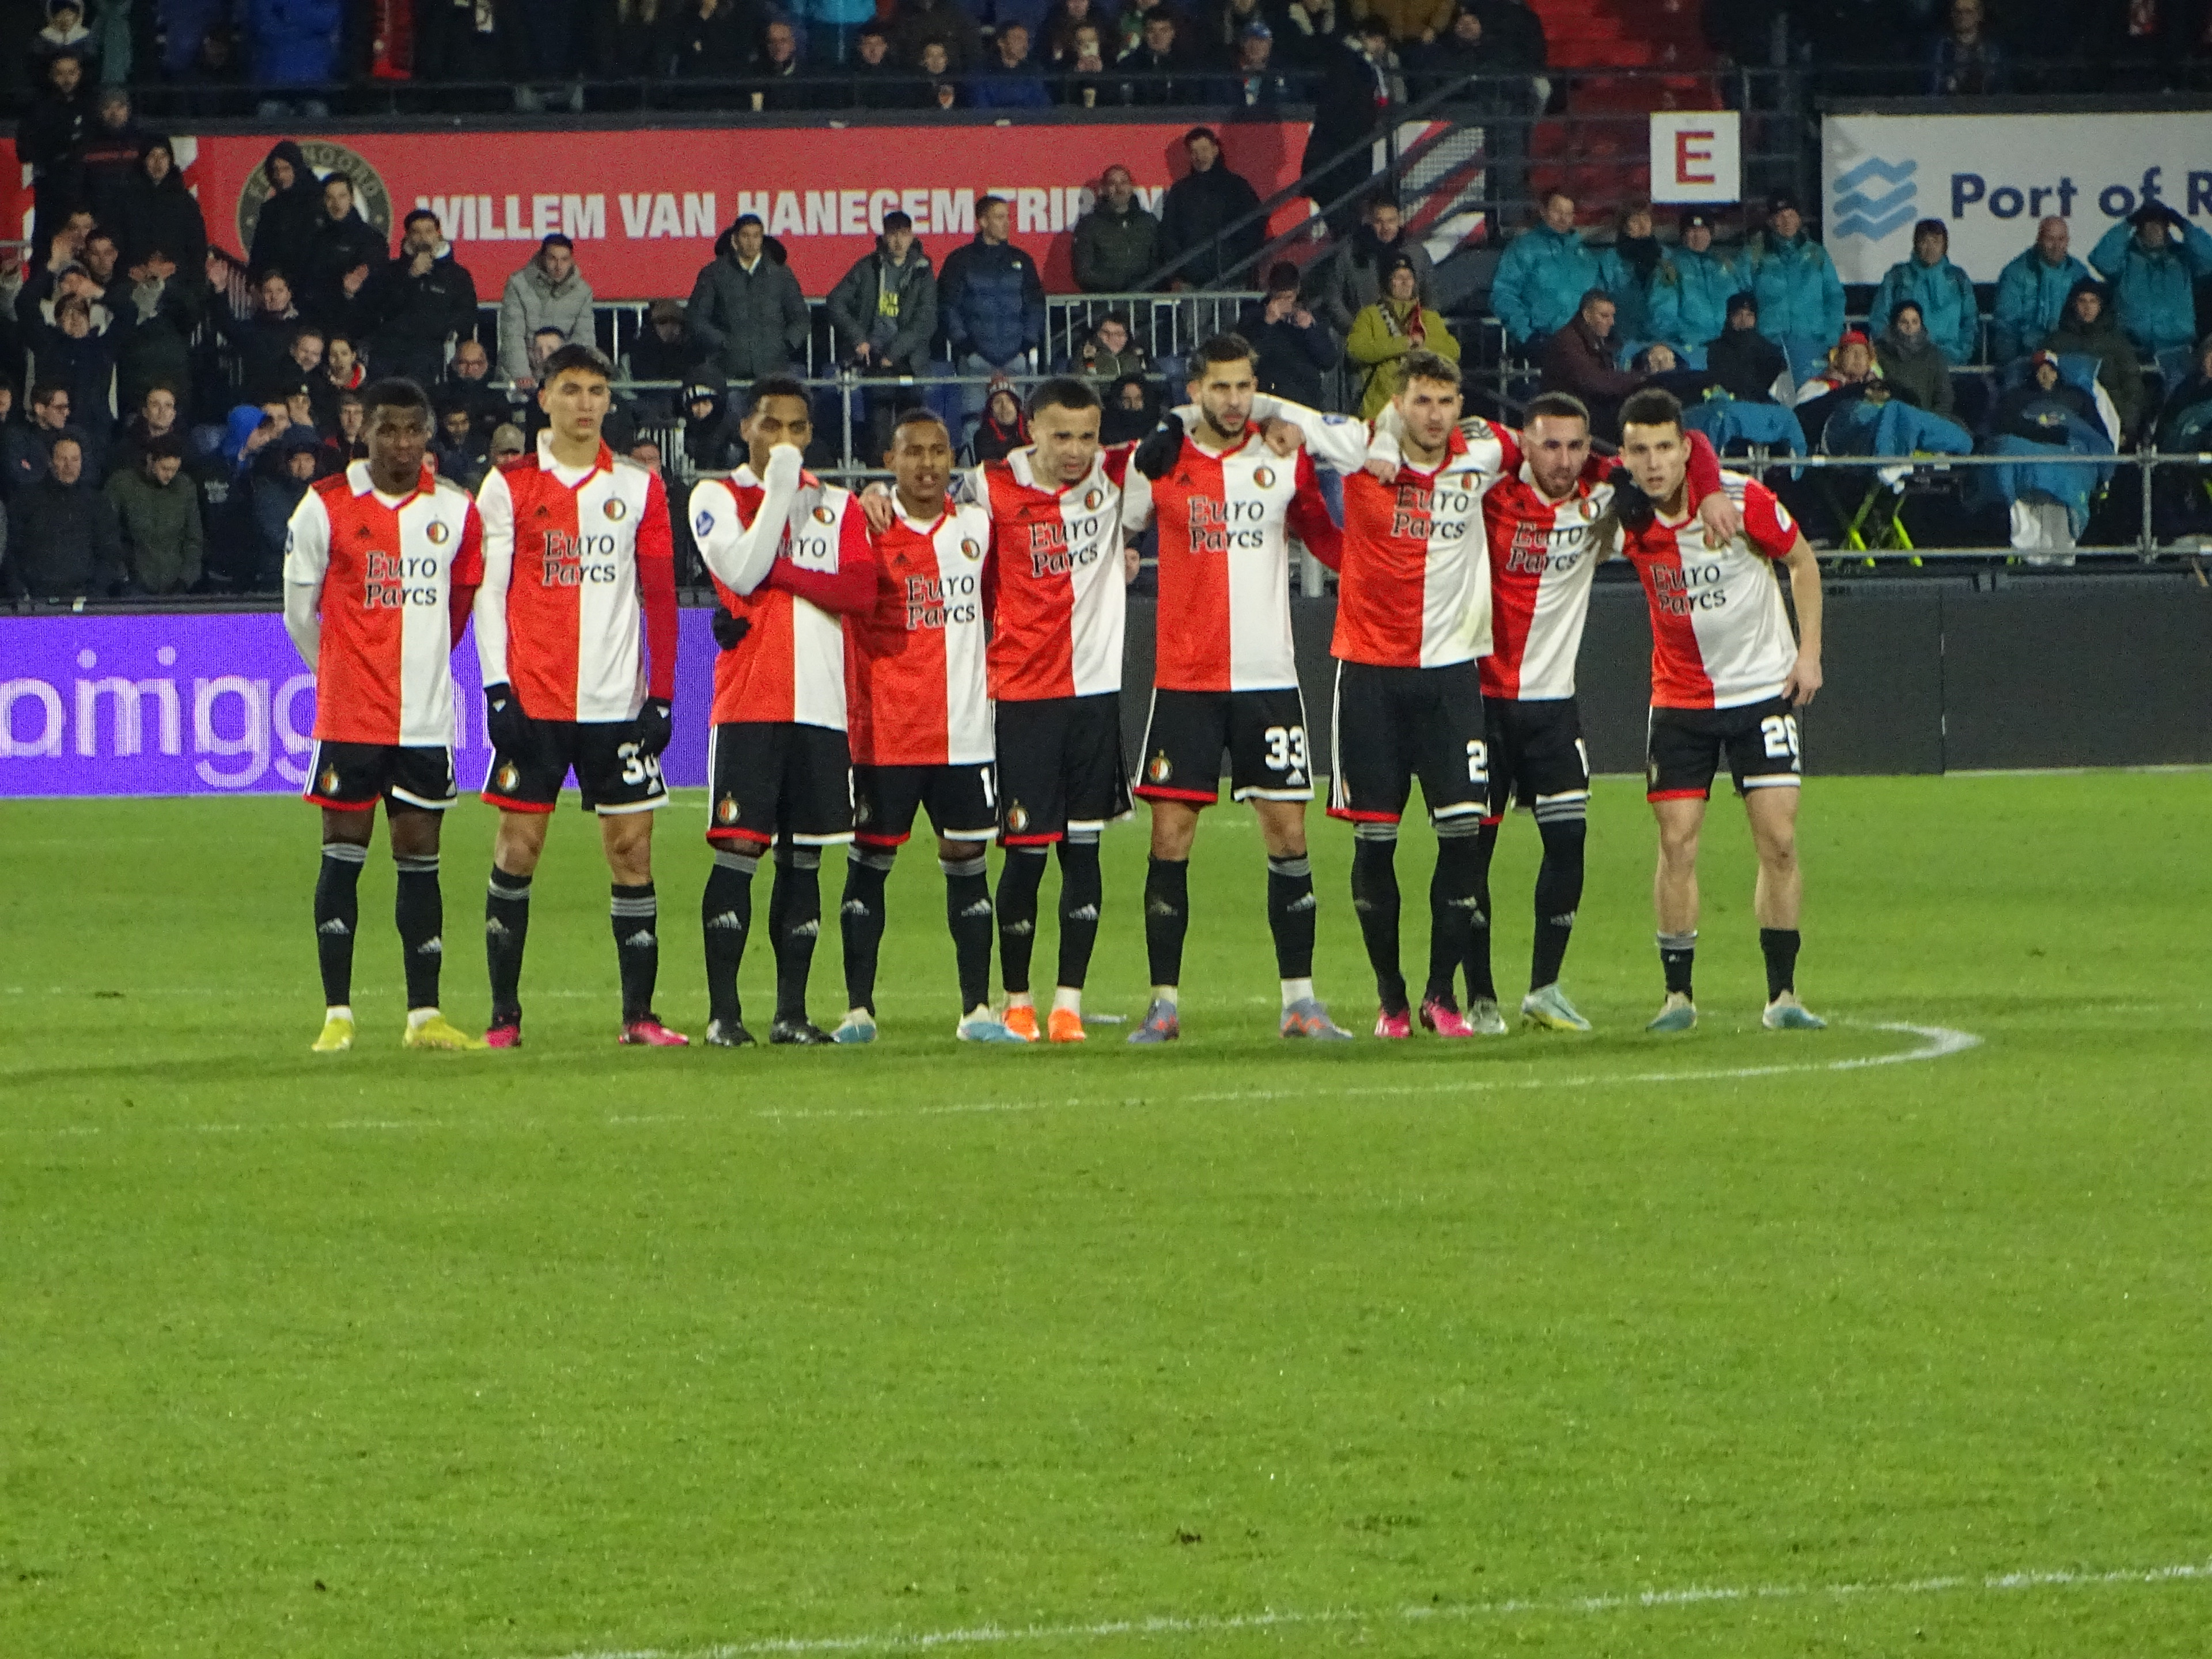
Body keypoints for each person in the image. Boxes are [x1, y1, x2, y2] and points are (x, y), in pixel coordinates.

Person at [1119, 335, 1354, 1043]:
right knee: (1170, 836)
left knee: (1288, 833)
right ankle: (1163, 1004)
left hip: (1269, 680)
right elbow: (1109, 531)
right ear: (1194, 390)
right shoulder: (1157, 464)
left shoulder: (1282, 456)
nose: (1232, 400)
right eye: (1219, 387)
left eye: (1243, 386)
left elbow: (1325, 536)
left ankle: (1301, 1001)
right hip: (1185, 681)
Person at [472, 343, 685, 1048]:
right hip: (535, 701)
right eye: (571, 389)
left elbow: (660, 595)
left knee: (632, 853)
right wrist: (497, 689)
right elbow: (491, 593)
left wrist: (662, 695)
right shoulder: (508, 486)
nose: (586, 403)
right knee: (518, 849)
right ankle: (504, 1018)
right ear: (544, 398)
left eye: (597, 390)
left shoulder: (638, 486)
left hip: (615, 705)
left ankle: (639, 1017)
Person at [1612, 385, 1825, 1033]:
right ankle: (1678, 997)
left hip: (1763, 690)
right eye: (1640, 451)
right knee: (1677, 844)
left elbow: (1803, 561)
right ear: (1624, 457)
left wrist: (1809, 653)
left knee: (1780, 842)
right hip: (1678, 699)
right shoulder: (1622, 515)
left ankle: (1783, 994)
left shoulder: (1738, 499)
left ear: (1687, 450)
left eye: (1666, 449)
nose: (1654, 464)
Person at [279, 379, 484, 1054]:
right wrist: (338, 672)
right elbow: (298, 615)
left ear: (428, 436)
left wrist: (420, 665)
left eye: (413, 431)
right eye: (389, 430)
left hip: (425, 720)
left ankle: (424, 1015)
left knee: (420, 861)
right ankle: (337, 1012)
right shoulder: (324, 507)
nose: (402, 444)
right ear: (362, 432)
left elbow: (458, 608)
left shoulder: (455, 509)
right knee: (343, 859)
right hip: (350, 719)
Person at [687, 376, 878, 1046]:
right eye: (773, 426)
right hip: (749, 704)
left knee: (806, 862)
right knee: (739, 850)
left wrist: (786, 575)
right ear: (746, 429)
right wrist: (780, 490)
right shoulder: (717, 496)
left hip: (823, 706)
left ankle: (791, 1013)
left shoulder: (840, 503)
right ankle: (723, 1015)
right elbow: (740, 571)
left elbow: (861, 590)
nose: (786, 441)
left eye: (799, 429)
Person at [827, 410, 1022, 1044]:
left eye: (939, 452)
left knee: (968, 859)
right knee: (870, 863)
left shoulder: (977, 528)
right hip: (884, 731)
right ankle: (858, 1010)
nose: (928, 464)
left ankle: (976, 1011)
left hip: (965, 731)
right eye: (914, 453)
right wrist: (864, 501)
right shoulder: (863, 528)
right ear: (890, 459)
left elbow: (998, 602)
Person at [961, 377, 1137, 1041]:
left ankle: (1068, 1003)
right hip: (1023, 697)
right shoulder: (986, 487)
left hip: (1093, 697)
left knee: (1083, 852)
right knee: (1027, 855)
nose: (1076, 450)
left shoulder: (1116, 475)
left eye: (1088, 436)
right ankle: (1018, 1000)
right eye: (1061, 435)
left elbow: (1196, 429)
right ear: (1029, 428)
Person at [940, 196, 1047, 422]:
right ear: (983, 222)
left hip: (1016, 357)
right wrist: (966, 347)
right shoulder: (960, 261)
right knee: (974, 422)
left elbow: (1035, 305)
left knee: (1019, 422)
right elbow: (948, 307)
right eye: (999, 217)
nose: (1007, 223)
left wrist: (1026, 344)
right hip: (976, 359)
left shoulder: (1022, 260)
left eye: (1008, 217)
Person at [686, 213, 809, 386]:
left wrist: (784, 345)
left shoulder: (781, 274)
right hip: (729, 372)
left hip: (773, 371)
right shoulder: (714, 274)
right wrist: (723, 344)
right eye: (745, 236)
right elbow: (697, 319)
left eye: (756, 236)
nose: (751, 242)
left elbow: (801, 318)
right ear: (734, 240)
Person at [366, 209, 478, 391]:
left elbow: (466, 318)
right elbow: (380, 310)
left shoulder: (457, 276)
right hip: (389, 358)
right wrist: (411, 277)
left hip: (431, 358)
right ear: (408, 237)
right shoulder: (389, 272)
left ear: (438, 234)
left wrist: (442, 329)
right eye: (416, 232)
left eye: (428, 231)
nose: (423, 238)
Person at [2090, 202, 2212, 367]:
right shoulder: (2126, 260)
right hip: (2132, 352)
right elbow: (2101, 259)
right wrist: (2128, 223)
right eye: (2148, 223)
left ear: (2168, 227)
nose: (2154, 228)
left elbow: (2209, 258)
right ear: (2139, 227)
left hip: (2179, 351)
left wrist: (2184, 225)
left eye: (2160, 223)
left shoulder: (2183, 257)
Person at [5, 429, 120, 599]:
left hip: (84, 599)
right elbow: (11, 549)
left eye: (75, 459)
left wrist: (95, 593)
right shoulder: (25, 500)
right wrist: (20, 590)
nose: (69, 466)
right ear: (50, 461)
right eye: (62, 459)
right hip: (37, 600)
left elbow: (109, 553)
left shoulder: (97, 503)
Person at [1301, 20, 1391, 235]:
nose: (1380, 47)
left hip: (1340, 161)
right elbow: (1340, 111)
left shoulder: (1353, 63)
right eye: (1377, 40)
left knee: (1347, 224)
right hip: (1338, 162)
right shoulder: (1350, 64)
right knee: (1346, 225)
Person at [1347, 254, 1460, 418]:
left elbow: (1453, 351)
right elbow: (1356, 350)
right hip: (1379, 411)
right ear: (1388, 282)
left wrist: (1423, 344)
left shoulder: (1428, 317)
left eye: (1409, 277)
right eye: (1398, 277)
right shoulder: (1369, 315)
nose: (1405, 282)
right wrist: (1403, 344)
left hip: (1420, 413)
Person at [1491, 190, 1602, 352]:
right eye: (1557, 211)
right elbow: (1504, 293)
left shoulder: (1585, 257)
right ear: (1543, 211)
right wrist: (1527, 335)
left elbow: (1598, 299)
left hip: (1584, 344)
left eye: (1568, 213)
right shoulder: (1524, 248)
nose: (1563, 218)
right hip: (1543, 342)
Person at [1157, 128, 1265, 287]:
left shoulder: (1238, 187)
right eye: (1194, 152)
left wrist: (1240, 262)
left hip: (1233, 279)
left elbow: (1254, 226)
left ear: (1216, 150)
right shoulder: (1180, 191)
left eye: (1204, 150)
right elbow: (1169, 234)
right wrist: (1180, 272)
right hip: (1192, 283)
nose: (1200, 157)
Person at [1313, 196, 1435, 336]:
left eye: (1391, 221)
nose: (1386, 228)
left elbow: (1430, 295)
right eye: (1379, 222)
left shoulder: (1417, 254)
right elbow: (1333, 298)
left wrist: (1422, 329)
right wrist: (1355, 330)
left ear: (1399, 220)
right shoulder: (1350, 254)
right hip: (1365, 338)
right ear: (1369, 222)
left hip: (1409, 337)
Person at [2040, 279, 2144, 442]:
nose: (2087, 308)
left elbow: (2132, 387)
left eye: (2093, 301)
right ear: (2073, 304)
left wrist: (2125, 427)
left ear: (2101, 306)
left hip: (2110, 420)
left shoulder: (2117, 342)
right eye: (2082, 301)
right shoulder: (2056, 342)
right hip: (2070, 418)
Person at [1744, 194, 1844, 357]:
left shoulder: (1817, 254)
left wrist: (1831, 337)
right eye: (1780, 216)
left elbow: (1834, 297)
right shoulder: (1754, 255)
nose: (1787, 221)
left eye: (1791, 215)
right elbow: (1741, 297)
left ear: (1799, 219)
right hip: (1769, 344)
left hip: (1813, 342)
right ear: (1771, 221)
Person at [105, 430, 203, 594]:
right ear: (151, 460)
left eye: (174, 470)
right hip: (134, 583)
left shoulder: (185, 487)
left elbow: (194, 539)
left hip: (175, 584)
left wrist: (186, 579)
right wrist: (123, 576)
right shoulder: (122, 484)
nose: (170, 475)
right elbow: (108, 533)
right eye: (165, 469)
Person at [1869, 218, 1978, 367]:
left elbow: (1970, 320)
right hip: (1906, 363)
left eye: (1936, 242)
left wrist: (1962, 352)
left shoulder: (1958, 278)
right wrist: (1895, 352)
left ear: (1945, 246)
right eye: (1924, 242)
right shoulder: (1897, 276)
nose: (1930, 248)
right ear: (1916, 244)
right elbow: (1880, 318)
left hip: (1951, 362)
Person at [1539, 287, 1641, 440]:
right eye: (1605, 316)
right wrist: (1638, 379)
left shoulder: (1598, 340)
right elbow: (1594, 382)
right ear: (1587, 315)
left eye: (1612, 316)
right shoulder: (1567, 342)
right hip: (1567, 417)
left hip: (1587, 413)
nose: (1612, 322)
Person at [498, 234, 594, 390]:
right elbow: (512, 334)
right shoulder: (518, 284)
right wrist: (522, 374)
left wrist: (572, 375)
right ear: (542, 258)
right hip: (524, 373)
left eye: (564, 260)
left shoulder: (583, 291)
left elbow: (584, 338)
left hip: (563, 372)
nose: (559, 266)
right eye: (552, 259)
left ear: (571, 260)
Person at [1991, 216, 2090, 365]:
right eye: (2050, 239)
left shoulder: (2078, 273)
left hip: (2068, 353)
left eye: (2061, 239)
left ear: (2068, 240)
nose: (2057, 246)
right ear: (2039, 239)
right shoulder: (2015, 272)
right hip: (2025, 354)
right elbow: (2006, 323)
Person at [298, 173, 387, 337]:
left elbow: (379, 291)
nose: (336, 204)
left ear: (352, 199)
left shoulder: (372, 240)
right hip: (317, 330)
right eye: (330, 198)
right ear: (323, 202)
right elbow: (305, 284)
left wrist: (350, 294)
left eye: (342, 196)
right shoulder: (314, 239)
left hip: (358, 332)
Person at [1240, 263, 1338, 410]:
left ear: (1298, 290)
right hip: (1270, 399)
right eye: (1280, 298)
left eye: (1289, 297)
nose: (1285, 303)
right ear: (1271, 291)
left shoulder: (1312, 316)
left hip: (1306, 400)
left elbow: (1328, 360)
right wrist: (1267, 324)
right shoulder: (1253, 317)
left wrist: (1310, 330)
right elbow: (1248, 359)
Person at [120, 135, 207, 276]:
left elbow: (198, 247)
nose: (158, 162)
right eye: (152, 156)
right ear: (143, 160)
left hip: (178, 278)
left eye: (163, 156)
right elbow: (119, 242)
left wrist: (176, 267)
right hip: (135, 276)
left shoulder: (185, 202)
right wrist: (132, 268)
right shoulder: (128, 199)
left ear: (171, 160)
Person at [1597, 201, 1679, 349]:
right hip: (1624, 340)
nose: (1642, 226)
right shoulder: (1610, 260)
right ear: (1624, 225)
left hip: (1665, 340)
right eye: (1635, 221)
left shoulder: (1668, 258)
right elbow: (1600, 300)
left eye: (1646, 219)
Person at [1071, 165, 1163, 294]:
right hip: (1104, 307)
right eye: (1113, 183)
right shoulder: (1088, 225)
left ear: (1132, 188)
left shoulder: (1148, 222)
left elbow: (1159, 264)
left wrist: (1144, 286)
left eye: (1124, 183)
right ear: (1103, 189)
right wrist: (1121, 283)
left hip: (1144, 306)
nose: (1119, 189)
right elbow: (1083, 273)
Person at [1668, 210, 1737, 354]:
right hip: (1691, 349)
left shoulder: (1723, 266)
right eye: (1692, 230)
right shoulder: (1671, 267)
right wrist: (1682, 342)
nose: (1698, 236)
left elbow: (1737, 306)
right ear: (1683, 235)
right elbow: (1663, 315)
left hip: (1727, 347)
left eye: (1703, 230)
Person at [1876, 300, 1956, 417]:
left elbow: (1944, 396)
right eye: (1904, 322)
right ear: (1894, 324)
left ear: (1921, 324)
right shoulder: (1880, 353)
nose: (1910, 327)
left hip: (1927, 421)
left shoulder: (1933, 354)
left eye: (1915, 322)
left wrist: (1932, 422)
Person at [1707, 291, 1788, 402]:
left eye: (1749, 315)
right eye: (1738, 314)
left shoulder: (1770, 351)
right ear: (1729, 317)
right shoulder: (1716, 349)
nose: (1743, 320)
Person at [1927, 0, 2003, 93]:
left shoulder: (1992, 50)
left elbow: (2001, 87)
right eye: (1958, 12)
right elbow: (1934, 86)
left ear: (1979, 15)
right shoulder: (1942, 47)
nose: (1962, 17)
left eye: (1968, 12)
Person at [1116, 9, 1190, 104]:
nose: (1158, 37)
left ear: (1173, 33)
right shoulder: (1129, 64)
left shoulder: (1186, 64)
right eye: (1152, 31)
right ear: (1144, 33)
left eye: (1164, 31)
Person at [970, 20, 1052, 105]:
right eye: (1018, 39)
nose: (1025, 45)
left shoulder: (1033, 71)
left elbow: (1043, 105)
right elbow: (980, 106)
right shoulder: (982, 72)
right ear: (1001, 43)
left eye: (1026, 40)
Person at [1067, 312, 1150, 382]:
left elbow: (1153, 383)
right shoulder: (1086, 354)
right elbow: (1080, 384)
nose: (1112, 338)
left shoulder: (1138, 355)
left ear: (1127, 336)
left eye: (1119, 334)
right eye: (1106, 333)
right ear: (1097, 334)